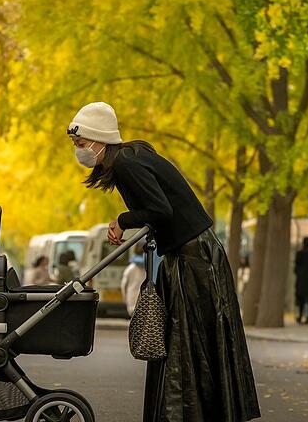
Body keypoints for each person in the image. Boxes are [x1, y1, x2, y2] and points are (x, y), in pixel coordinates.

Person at [67, 102, 260, 421]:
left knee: (189, 338)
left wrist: (123, 220)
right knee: (189, 340)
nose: (79, 152)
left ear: (100, 139)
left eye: (81, 144)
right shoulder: (129, 159)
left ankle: (192, 413)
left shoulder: (128, 163)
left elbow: (160, 210)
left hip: (195, 256)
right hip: (190, 253)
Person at [120, 241, 146, 317]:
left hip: (132, 301)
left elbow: (123, 286)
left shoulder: (130, 268)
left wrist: (126, 300)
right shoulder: (151, 267)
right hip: (147, 303)